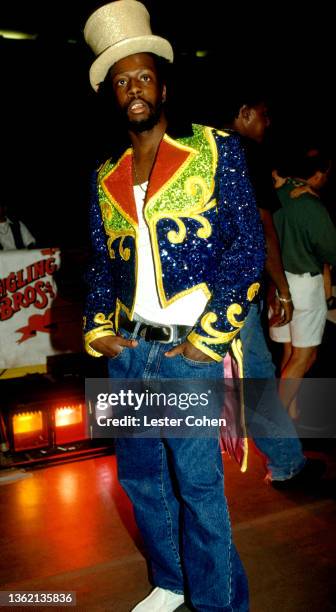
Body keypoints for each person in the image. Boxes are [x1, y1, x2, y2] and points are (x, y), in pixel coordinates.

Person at [83, 1, 265, 610]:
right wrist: (98, 331)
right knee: (140, 481)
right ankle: (170, 580)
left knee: (199, 489)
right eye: (120, 82)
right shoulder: (104, 175)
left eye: (142, 77)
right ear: (113, 95)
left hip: (190, 349)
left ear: (162, 85)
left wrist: (208, 340)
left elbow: (246, 249)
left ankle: (218, 602)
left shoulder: (215, 151)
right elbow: (98, 264)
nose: (133, 89)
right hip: (129, 353)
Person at [216, 90, 324, 489]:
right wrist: (281, 288)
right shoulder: (245, 153)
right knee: (255, 377)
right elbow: (262, 229)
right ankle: (286, 463)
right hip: (234, 291)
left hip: (195, 289)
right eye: (263, 115)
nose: (267, 124)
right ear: (243, 114)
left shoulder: (197, 149)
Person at [270, 150, 336, 419]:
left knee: (289, 350)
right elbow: (331, 251)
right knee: (304, 357)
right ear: (318, 175)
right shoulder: (311, 205)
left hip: (278, 286)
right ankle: (278, 419)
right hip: (305, 288)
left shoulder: (275, 194)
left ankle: (292, 413)